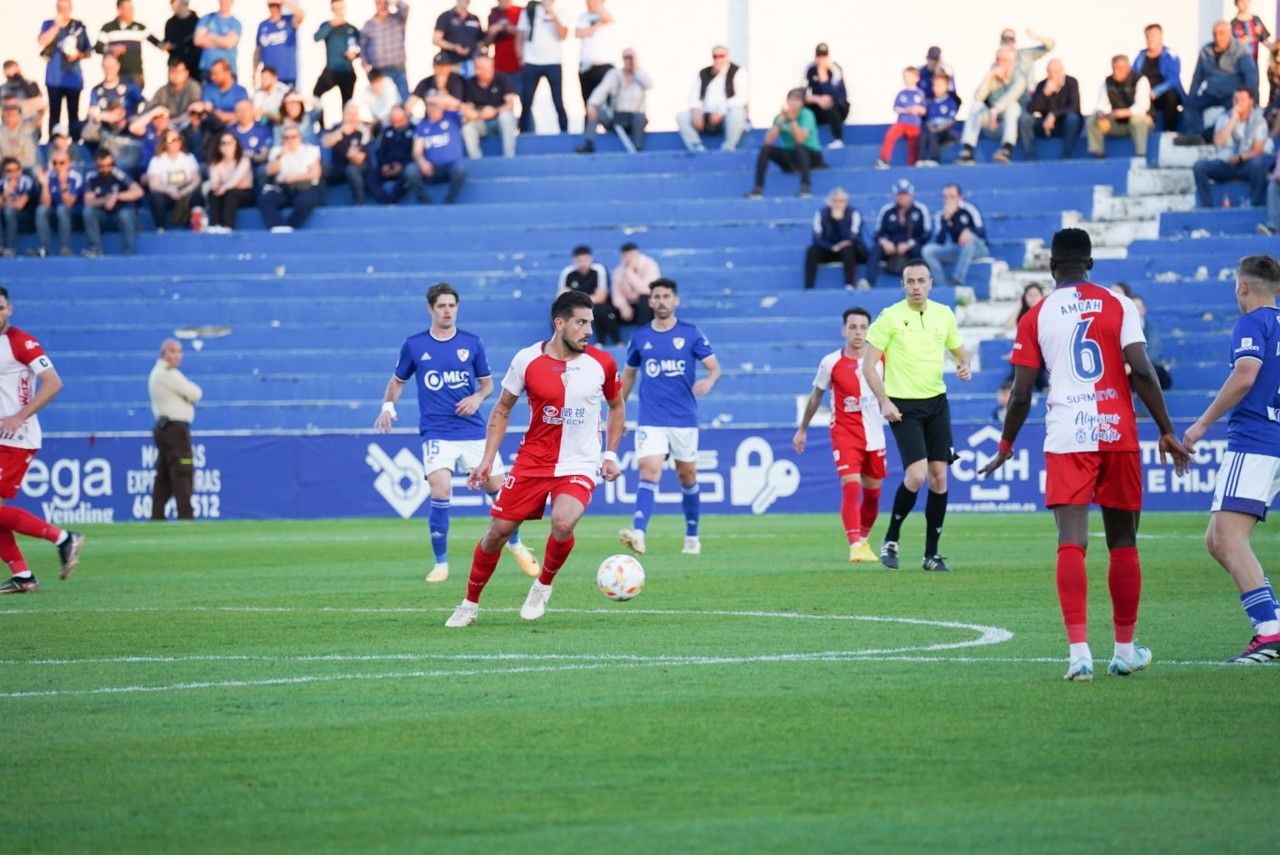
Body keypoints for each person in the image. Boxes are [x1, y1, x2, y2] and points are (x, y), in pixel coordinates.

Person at [979, 227, 1191, 681]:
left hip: (1067, 434)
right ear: (1090, 264)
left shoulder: (1037, 314)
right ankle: (1125, 649)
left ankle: (1079, 654)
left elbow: (1019, 396)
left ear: (1052, 267)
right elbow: (1143, 371)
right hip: (1117, 430)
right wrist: (1168, 430)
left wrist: (1006, 444)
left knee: (1071, 540)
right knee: (1123, 541)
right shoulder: (1117, 304)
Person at [443, 289, 624, 628]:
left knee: (564, 521)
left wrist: (610, 454)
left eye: (591, 323)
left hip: (579, 462)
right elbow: (502, 409)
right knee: (498, 532)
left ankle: (542, 585)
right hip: (533, 461)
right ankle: (469, 603)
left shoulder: (603, 363)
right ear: (559, 323)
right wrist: (487, 460)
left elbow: (616, 407)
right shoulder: (526, 359)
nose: (589, 330)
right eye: (581, 323)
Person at [374, 282, 540, 583]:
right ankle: (441, 563)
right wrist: (388, 407)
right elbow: (398, 381)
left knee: (501, 495)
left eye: (451, 305)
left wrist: (477, 398)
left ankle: (515, 544)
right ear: (431, 309)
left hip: (474, 432)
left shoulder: (472, 343)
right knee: (440, 490)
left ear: (457, 308)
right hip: (436, 431)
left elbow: (488, 384)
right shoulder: (414, 345)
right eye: (441, 306)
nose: (447, 310)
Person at [1182, 254, 1280, 664]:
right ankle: (1273, 621)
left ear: (1242, 286)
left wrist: (1201, 424)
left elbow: (1244, 374)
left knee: (1226, 538)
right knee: (1216, 539)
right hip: (1273, 439)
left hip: (1256, 439)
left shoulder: (1252, 323)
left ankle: (1270, 633)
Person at [859, 260, 971, 572]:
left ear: (931, 283)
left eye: (922, 280)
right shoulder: (890, 317)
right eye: (910, 281)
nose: (916, 286)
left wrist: (964, 365)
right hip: (903, 406)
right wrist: (884, 402)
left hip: (936, 402)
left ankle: (931, 555)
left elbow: (961, 352)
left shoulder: (943, 314)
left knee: (939, 477)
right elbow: (868, 366)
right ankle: (891, 539)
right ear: (903, 285)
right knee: (918, 475)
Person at [616, 279, 720, 557]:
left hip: (684, 419)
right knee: (649, 471)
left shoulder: (691, 333)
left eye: (666, 296)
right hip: (651, 418)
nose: (661, 301)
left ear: (676, 301)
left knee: (687, 477)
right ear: (650, 302)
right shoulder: (640, 337)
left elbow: (714, 367)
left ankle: (692, 535)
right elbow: (628, 375)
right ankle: (638, 533)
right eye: (656, 297)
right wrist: (619, 412)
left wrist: (709, 381)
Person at [0, 286, 85, 595]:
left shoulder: (21, 342)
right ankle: (23, 576)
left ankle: (63, 538)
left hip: (16, 438)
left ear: (10, 310)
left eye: (0, 307)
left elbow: (53, 383)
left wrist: (20, 416)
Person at [792, 307, 886, 563]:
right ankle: (855, 544)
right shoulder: (830, 362)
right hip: (845, 433)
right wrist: (803, 429)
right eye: (853, 327)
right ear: (843, 330)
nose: (858, 332)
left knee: (874, 493)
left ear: (869, 330)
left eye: (863, 327)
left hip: (875, 433)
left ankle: (864, 540)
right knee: (851, 485)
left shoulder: (882, 360)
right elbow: (816, 396)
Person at [148, 338, 202, 521]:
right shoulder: (168, 374)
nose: (177, 355)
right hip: (175, 430)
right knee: (182, 471)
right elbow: (195, 393)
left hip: (166, 429)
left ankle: (157, 516)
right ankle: (186, 515)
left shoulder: (161, 373)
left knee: (164, 476)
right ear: (163, 354)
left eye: (180, 351)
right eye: (172, 351)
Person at [1192, 88, 1272, 209]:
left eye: (1242, 99)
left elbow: (1257, 150)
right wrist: (1233, 120)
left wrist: (1239, 158)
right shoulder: (1225, 117)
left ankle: (1255, 204)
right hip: (1225, 164)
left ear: (1250, 101)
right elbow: (1218, 141)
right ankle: (1206, 206)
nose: (1238, 102)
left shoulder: (1259, 121)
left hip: (1245, 164)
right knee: (1199, 166)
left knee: (1258, 165)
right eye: (1235, 99)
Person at [1182, 20, 1258, 143]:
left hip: (1232, 94)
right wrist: (1191, 96)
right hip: (1211, 93)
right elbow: (1197, 78)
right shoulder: (1205, 51)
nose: (1218, 37)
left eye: (1222, 33)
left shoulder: (1241, 50)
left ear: (1230, 33)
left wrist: (1249, 99)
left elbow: (1250, 75)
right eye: (1215, 33)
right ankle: (1195, 136)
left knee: (1232, 111)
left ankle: (1208, 136)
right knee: (1190, 104)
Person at [748, 88, 823, 198]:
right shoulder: (780, 117)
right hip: (791, 155)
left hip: (811, 155)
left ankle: (805, 187)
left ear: (802, 103)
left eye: (797, 100)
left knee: (799, 147)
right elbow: (768, 141)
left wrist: (792, 120)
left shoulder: (807, 115)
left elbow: (800, 139)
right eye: (790, 99)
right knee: (765, 149)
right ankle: (758, 188)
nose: (793, 102)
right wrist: (780, 121)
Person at [38, 0, 94, 141]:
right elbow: (42, 41)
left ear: (71, 9)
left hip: (73, 79)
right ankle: (53, 144)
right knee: (54, 114)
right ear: (57, 9)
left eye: (66, 8)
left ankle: (74, 147)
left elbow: (88, 51)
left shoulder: (79, 26)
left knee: (73, 116)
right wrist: (57, 25)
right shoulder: (49, 24)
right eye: (61, 8)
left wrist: (78, 55)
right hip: (54, 78)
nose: (63, 11)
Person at [576, 48, 650, 154]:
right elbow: (601, 90)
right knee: (595, 110)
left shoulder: (641, 75)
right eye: (626, 58)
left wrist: (635, 71)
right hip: (616, 117)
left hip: (634, 117)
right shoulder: (614, 75)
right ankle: (588, 143)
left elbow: (649, 84)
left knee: (640, 117)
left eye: (631, 57)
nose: (628, 60)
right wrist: (591, 104)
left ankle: (637, 148)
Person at [957, 47, 1024, 165]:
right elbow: (978, 97)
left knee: (1012, 107)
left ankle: (1007, 149)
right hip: (992, 121)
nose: (1000, 62)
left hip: (1012, 123)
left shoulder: (1019, 76)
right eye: (998, 59)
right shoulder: (993, 73)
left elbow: (1012, 96)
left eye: (1004, 60)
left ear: (1012, 61)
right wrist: (989, 77)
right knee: (976, 106)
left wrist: (995, 110)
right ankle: (968, 149)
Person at [861, 178, 930, 289]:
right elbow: (878, 233)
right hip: (891, 247)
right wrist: (885, 242)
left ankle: (921, 283)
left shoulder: (920, 210)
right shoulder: (887, 210)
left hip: (910, 247)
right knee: (876, 248)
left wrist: (910, 244)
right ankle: (869, 282)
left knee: (918, 250)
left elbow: (926, 233)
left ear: (911, 194)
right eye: (899, 194)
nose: (902, 197)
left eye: (905, 194)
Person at [677, 45, 749, 153]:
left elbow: (742, 97)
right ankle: (695, 146)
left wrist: (721, 111)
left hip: (726, 114)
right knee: (682, 117)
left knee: (737, 114)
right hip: (706, 114)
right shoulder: (703, 73)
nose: (719, 59)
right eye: (715, 56)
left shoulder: (737, 72)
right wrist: (696, 112)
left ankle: (728, 147)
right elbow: (693, 97)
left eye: (722, 56)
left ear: (727, 57)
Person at [516, 0, 569, 133]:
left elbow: (563, 35)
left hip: (553, 62)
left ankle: (565, 133)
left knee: (558, 101)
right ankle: (522, 133)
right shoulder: (529, 10)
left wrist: (552, 13)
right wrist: (520, 57)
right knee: (526, 101)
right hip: (532, 62)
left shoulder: (561, 10)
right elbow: (520, 35)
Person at [1086, 54, 1153, 158]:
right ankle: (1098, 154)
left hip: (1142, 121)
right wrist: (1101, 113)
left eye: (1120, 68)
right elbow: (1101, 104)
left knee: (1137, 120)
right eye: (1114, 68)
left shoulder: (1140, 80)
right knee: (1093, 120)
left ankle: (1141, 155)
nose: (1116, 71)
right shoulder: (1108, 82)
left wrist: (1119, 113)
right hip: (1118, 123)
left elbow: (1142, 107)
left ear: (1128, 69)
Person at [922, 184, 987, 287]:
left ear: (960, 197)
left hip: (977, 248)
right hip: (957, 249)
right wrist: (947, 220)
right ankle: (943, 286)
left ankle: (957, 279)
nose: (948, 200)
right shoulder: (941, 215)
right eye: (945, 197)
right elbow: (940, 241)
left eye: (952, 196)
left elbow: (982, 233)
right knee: (927, 251)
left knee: (968, 238)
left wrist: (968, 231)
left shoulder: (969, 209)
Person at [257, 125, 321, 231]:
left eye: (293, 137)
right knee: (264, 199)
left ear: (300, 137)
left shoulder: (309, 150)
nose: (290, 140)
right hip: (283, 188)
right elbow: (269, 171)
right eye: (286, 137)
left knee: (307, 201)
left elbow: (315, 173)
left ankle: (290, 228)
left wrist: (294, 178)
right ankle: (279, 227)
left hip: (304, 187)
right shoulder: (277, 151)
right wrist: (282, 154)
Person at [82, 149, 142, 256]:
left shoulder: (119, 174)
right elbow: (88, 201)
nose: (106, 168)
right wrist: (105, 199)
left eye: (109, 165)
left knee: (125, 215)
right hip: (103, 215)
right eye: (102, 166)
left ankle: (129, 252)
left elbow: (138, 192)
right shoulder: (91, 176)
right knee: (88, 212)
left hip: (120, 214)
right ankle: (96, 248)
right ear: (96, 165)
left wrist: (116, 196)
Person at [804, 187, 866, 290]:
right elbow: (816, 239)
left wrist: (840, 221)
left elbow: (853, 237)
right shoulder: (821, 214)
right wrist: (832, 247)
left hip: (849, 250)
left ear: (847, 202)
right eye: (835, 201)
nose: (838, 204)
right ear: (829, 202)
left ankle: (849, 284)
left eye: (841, 201)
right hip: (829, 249)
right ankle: (809, 287)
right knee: (812, 251)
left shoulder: (854, 213)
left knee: (848, 249)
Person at [1019, 59, 1082, 160]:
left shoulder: (1071, 82)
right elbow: (1031, 109)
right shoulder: (1042, 85)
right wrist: (1045, 94)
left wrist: (1053, 115)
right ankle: (1029, 156)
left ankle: (1067, 156)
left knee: (1073, 118)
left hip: (1064, 124)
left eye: (1056, 72)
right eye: (1050, 72)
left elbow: (1075, 107)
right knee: (1025, 118)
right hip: (1045, 125)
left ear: (1062, 71)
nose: (1052, 75)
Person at [557, 244, 620, 346]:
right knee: (559, 313)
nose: (583, 264)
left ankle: (614, 342)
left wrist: (575, 300)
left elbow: (601, 297)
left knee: (603, 310)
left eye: (585, 260)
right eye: (579, 261)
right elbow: (561, 298)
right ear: (573, 261)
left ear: (591, 259)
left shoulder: (599, 269)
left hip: (593, 306)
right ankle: (563, 344)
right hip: (576, 307)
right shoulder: (567, 272)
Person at [411, 94, 467, 204]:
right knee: (410, 170)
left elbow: (473, 115)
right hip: (431, 169)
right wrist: (422, 162)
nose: (432, 108)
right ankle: (424, 201)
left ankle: (450, 199)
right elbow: (417, 150)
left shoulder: (452, 117)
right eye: (429, 105)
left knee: (460, 169)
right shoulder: (423, 124)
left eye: (435, 104)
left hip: (450, 168)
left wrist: (454, 103)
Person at [83, 54, 144, 154]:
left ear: (118, 66)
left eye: (111, 67)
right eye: (105, 67)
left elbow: (144, 105)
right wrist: (112, 116)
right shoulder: (96, 90)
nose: (108, 70)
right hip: (105, 133)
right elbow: (93, 113)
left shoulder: (130, 87)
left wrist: (131, 117)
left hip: (127, 131)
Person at [94, 0, 161, 90]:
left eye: (132, 8)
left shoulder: (140, 27)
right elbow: (98, 48)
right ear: (120, 9)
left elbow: (157, 43)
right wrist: (111, 49)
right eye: (129, 9)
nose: (132, 11)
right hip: (116, 76)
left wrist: (167, 45)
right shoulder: (108, 28)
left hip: (135, 75)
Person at [461, 54, 518, 159]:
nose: (478, 71)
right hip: (480, 121)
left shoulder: (502, 78)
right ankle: (477, 162)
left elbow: (510, 105)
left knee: (506, 117)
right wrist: (480, 115)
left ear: (490, 67)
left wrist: (494, 111)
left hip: (499, 121)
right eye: (476, 67)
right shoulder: (470, 83)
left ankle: (509, 158)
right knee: (467, 128)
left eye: (481, 68)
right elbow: (467, 108)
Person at [144, 129, 202, 231]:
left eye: (178, 139)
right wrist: (170, 191)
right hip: (167, 193)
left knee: (196, 196)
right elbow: (154, 184)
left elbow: (196, 179)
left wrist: (185, 191)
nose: (176, 142)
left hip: (185, 192)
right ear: (165, 142)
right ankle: (161, 228)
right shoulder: (157, 160)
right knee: (156, 198)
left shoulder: (188, 157)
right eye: (172, 139)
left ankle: (194, 227)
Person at [312, 0, 361, 120]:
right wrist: (332, 24)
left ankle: (346, 129)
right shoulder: (327, 25)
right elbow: (317, 37)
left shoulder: (352, 28)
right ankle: (321, 126)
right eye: (336, 9)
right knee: (316, 95)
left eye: (341, 8)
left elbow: (363, 47)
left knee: (347, 104)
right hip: (331, 71)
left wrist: (356, 54)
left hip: (347, 71)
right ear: (332, 9)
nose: (339, 11)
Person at [1132, 23, 1185, 133]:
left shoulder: (1170, 55)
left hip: (1163, 94)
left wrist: (1156, 91)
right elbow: (1133, 75)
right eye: (1148, 36)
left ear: (1161, 37)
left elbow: (1173, 80)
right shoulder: (1140, 56)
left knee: (1171, 95)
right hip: (1145, 95)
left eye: (1153, 35)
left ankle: (1169, 131)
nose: (1150, 39)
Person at [874, 67, 926, 168]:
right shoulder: (902, 93)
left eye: (909, 77)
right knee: (890, 135)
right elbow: (896, 108)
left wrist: (917, 109)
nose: (907, 79)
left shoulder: (920, 93)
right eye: (905, 77)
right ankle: (884, 159)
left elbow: (924, 110)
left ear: (917, 78)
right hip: (901, 122)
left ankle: (912, 164)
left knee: (913, 143)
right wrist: (906, 110)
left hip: (914, 123)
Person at [34, 148, 83, 256]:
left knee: (62, 209)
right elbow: (45, 204)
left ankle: (65, 248)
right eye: (55, 163)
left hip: (73, 213)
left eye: (62, 163)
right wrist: (45, 185)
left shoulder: (75, 177)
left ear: (69, 163)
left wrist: (63, 183)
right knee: (41, 210)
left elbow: (69, 203)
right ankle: (44, 248)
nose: (58, 166)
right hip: (53, 211)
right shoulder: (49, 175)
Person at [369, 104, 421, 204]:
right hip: (387, 167)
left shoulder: (414, 130)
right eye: (394, 120)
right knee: (370, 177)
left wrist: (401, 166)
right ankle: (386, 201)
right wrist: (384, 165)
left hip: (404, 167)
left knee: (410, 174)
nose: (396, 124)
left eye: (399, 120)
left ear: (406, 117)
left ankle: (391, 200)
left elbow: (416, 154)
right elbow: (379, 152)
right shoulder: (386, 131)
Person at [361, 0, 410, 103]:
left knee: (404, 100)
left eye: (384, 3)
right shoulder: (368, 25)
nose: (382, 6)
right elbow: (363, 47)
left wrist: (393, 1)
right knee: (384, 103)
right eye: (379, 3)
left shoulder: (398, 19)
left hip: (398, 70)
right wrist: (365, 63)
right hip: (379, 72)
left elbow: (405, 7)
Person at [321, 102, 369, 204]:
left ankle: (359, 203)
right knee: (320, 170)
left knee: (352, 170)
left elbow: (360, 159)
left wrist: (353, 156)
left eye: (354, 114)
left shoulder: (363, 130)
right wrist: (341, 132)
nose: (351, 118)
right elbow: (325, 143)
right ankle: (322, 204)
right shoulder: (337, 127)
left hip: (357, 166)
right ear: (343, 115)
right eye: (349, 114)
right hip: (338, 166)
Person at [803, 42, 849, 149]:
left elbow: (835, 94)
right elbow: (802, 93)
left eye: (824, 56)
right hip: (818, 108)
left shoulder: (835, 69)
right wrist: (817, 99)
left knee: (829, 103)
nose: (821, 59)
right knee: (803, 109)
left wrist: (822, 73)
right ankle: (803, 140)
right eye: (819, 56)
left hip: (838, 108)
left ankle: (838, 139)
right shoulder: (810, 69)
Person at [205, 131, 253, 232]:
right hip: (225, 192)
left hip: (244, 194)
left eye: (231, 143)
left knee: (231, 194)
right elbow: (214, 180)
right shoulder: (216, 163)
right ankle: (214, 225)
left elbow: (235, 180)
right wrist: (215, 186)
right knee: (212, 193)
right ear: (218, 147)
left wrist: (223, 188)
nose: (227, 146)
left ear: (236, 144)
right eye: (223, 143)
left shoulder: (243, 160)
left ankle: (227, 226)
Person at [574, 0, 614, 117]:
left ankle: (611, 130)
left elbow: (609, 19)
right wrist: (598, 26)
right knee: (588, 103)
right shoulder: (583, 16)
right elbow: (578, 33)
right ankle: (589, 132)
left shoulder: (607, 13)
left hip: (605, 66)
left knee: (607, 103)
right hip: (587, 66)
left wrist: (598, 7)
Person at [254, 1, 304, 89]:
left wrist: (284, 1)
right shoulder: (263, 25)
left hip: (287, 75)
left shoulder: (288, 21)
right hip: (269, 76)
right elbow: (258, 51)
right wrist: (254, 72)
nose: (274, 8)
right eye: (272, 5)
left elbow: (301, 14)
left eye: (277, 6)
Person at [612, 242, 660, 333]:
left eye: (632, 255)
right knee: (605, 310)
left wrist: (630, 272)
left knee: (644, 299)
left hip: (649, 306)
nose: (629, 259)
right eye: (626, 256)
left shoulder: (650, 265)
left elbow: (647, 290)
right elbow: (616, 295)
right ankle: (613, 342)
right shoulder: (618, 271)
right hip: (631, 307)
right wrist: (623, 306)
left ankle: (643, 334)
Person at [917, 71, 960, 166]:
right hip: (932, 130)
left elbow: (951, 121)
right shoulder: (930, 103)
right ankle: (921, 159)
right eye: (934, 85)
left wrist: (938, 128)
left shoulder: (950, 102)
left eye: (939, 85)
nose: (936, 88)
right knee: (924, 131)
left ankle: (934, 159)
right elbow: (928, 120)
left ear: (946, 86)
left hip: (946, 132)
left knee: (933, 132)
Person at [195, 0, 242, 84]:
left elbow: (229, 44)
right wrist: (222, 40)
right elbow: (198, 40)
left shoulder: (235, 23)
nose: (224, 2)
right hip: (207, 69)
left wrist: (210, 36)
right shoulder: (207, 18)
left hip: (228, 71)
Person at [147, 57, 203, 127]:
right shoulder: (162, 90)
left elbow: (196, 108)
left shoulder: (193, 87)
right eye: (172, 71)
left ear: (186, 73)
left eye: (179, 71)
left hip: (187, 124)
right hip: (166, 126)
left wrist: (175, 121)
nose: (175, 74)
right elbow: (151, 108)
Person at [434, 0, 484, 77]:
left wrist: (478, 57)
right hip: (452, 64)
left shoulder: (474, 18)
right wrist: (455, 48)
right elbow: (436, 40)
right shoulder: (445, 17)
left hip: (471, 65)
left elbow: (480, 41)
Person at [1, 158, 34, 259]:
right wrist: (5, 194)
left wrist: (6, 203)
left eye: (16, 170)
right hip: (6, 215)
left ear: (20, 170)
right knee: (7, 212)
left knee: (9, 212)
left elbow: (20, 205)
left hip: (26, 217)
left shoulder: (28, 182)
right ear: (5, 172)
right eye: (9, 171)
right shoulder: (2, 183)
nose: (13, 174)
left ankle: (10, 248)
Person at [161, 0, 202, 82]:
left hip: (193, 68)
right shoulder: (170, 23)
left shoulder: (197, 22)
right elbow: (167, 43)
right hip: (175, 69)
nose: (172, 4)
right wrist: (165, 46)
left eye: (174, 2)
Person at [200, 58, 249, 125]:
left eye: (216, 74)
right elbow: (206, 109)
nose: (212, 77)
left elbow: (246, 115)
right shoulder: (209, 89)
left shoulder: (240, 91)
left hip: (234, 127)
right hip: (213, 126)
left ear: (227, 72)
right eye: (211, 74)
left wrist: (227, 116)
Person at [485, 0, 523, 79]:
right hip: (499, 66)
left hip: (517, 66)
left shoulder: (520, 11)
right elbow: (487, 42)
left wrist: (503, 27)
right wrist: (492, 33)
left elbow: (523, 33)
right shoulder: (494, 13)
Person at [0, 101, 39, 174]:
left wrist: (21, 104)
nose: (11, 115)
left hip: (27, 167)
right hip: (7, 169)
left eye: (13, 113)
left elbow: (42, 107)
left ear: (19, 115)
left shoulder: (28, 126)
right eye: (8, 113)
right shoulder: (1, 131)